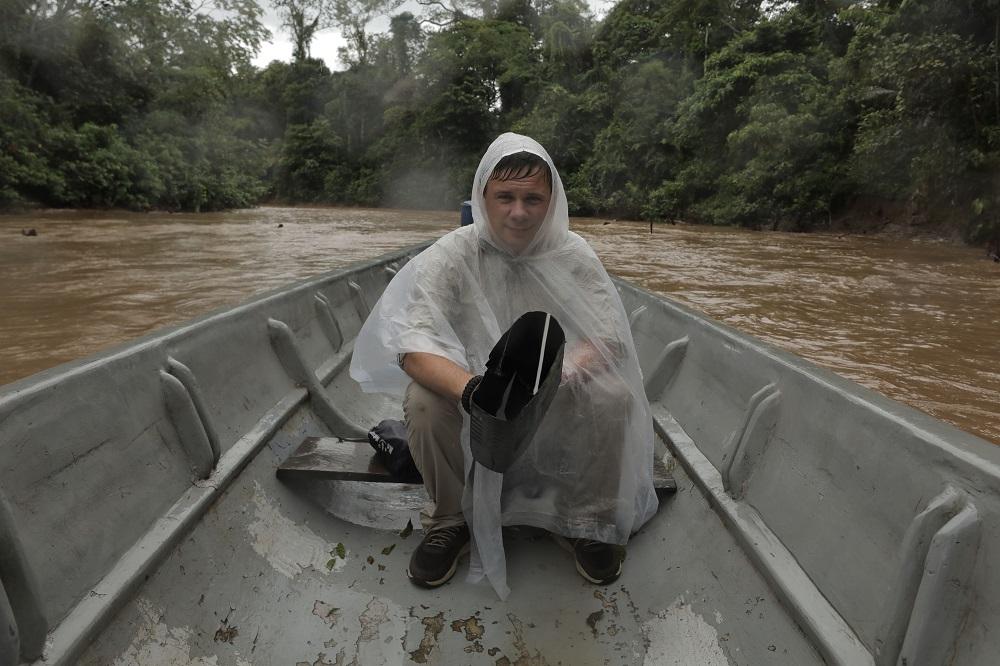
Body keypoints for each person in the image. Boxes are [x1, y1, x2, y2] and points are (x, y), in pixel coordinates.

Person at [350, 133, 658, 597]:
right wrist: (474, 389)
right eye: (506, 197)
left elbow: (608, 335)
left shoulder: (574, 254)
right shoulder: (453, 254)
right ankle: (449, 520)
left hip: (552, 381)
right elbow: (413, 346)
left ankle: (584, 519)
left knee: (611, 394)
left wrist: (566, 370)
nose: (519, 212)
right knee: (423, 404)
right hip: (473, 385)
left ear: (551, 202)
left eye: (533, 198)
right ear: (483, 198)